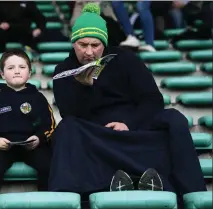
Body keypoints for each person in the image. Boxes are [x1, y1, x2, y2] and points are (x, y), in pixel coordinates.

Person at [50, 2, 206, 206]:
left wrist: (127, 123)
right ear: (73, 43)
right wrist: (84, 87)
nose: (89, 52)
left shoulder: (126, 59)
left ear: (104, 44)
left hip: (133, 128)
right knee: (66, 129)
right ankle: (75, 196)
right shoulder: (63, 70)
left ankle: (193, 195)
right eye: (83, 45)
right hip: (97, 133)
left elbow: (152, 99)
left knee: (174, 118)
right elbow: (71, 114)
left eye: (95, 45)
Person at [0, 49, 55, 208]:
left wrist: (39, 138)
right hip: (2, 145)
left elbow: (50, 124)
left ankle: (47, 202)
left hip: (32, 145)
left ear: (30, 72)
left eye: (22, 67)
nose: (17, 71)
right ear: (2, 74)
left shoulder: (38, 97)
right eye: (11, 68)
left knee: (49, 165)